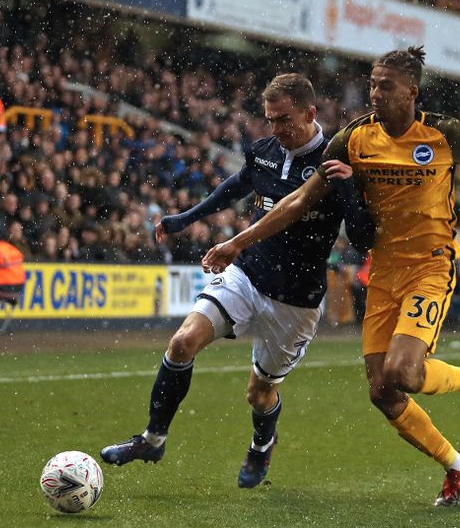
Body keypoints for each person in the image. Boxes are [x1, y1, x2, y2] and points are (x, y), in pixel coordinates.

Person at [202, 46, 460, 507]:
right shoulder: (355, 137)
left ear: (411, 90)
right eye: (372, 83)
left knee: (403, 372)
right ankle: (458, 467)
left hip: (430, 266)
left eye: (386, 85)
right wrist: (239, 242)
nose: (375, 92)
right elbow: (298, 201)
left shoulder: (444, 132)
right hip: (383, 271)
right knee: (381, 391)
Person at [99, 74, 373, 488]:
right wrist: (187, 218)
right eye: (270, 120)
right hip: (248, 274)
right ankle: (152, 438)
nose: (276, 129)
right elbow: (236, 186)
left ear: (310, 113)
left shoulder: (335, 162)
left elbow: (363, 236)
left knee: (259, 394)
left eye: (284, 120)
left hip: (296, 301)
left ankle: (262, 446)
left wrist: (351, 189)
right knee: (181, 342)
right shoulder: (264, 150)